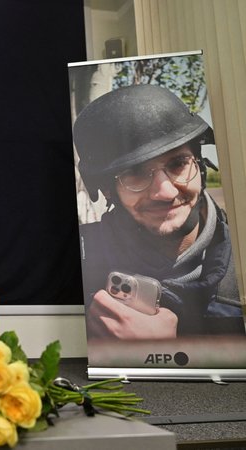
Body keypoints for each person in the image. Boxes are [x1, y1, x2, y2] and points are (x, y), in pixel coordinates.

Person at [73, 84, 245, 339]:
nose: (165, 192)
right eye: (135, 172)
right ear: (108, 190)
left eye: (178, 163)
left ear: (199, 164)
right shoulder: (79, 264)